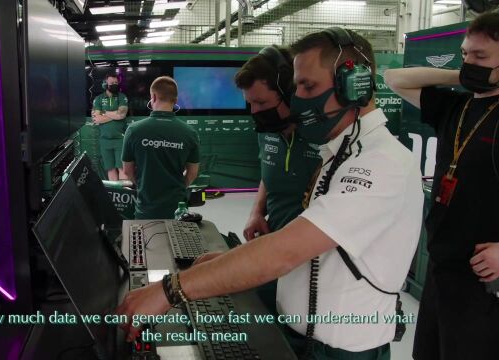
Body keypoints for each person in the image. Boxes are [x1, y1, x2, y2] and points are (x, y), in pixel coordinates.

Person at [117, 28, 423, 359]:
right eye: (297, 87)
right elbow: (314, 251)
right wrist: (221, 264)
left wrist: (170, 290)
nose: (300, 99)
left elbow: (286, 251)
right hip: (304, 337)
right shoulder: (339, 153)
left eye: (308, 86)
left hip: (339, 351)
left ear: (355, 85)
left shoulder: (380, 162)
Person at [385, 3, 499, 359]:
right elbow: (394, 79)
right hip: (442, 269)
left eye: (480, 55)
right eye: (464, 54)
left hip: (485, 278)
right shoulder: (456, 106)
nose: (469, 61)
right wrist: (466, 75)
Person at [234, 45, 322, 314]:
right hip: (272, 246)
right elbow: (268, 170)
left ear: (289, 92)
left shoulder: (324, 135)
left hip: (313, 261)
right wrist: (257, 211)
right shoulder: (267, 128)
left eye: (261, 103)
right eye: (250, 103)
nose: (254, 112)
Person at [121, 76, 200, 219]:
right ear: (175, 100)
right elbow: (192, 173)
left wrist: (143, 187)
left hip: (145, 210)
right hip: (178, 211)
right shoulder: (190, 133)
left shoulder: (134, 130)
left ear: (153, 96)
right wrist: (179, 188)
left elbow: (127, 170)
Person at [92, 73, 129, 181]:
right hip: (105, 140)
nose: (114, 85)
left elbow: (122, 114)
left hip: (120, 139)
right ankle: (115, 194)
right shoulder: (98, 99)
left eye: (116, 83)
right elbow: (96, 119)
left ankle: (123, 194)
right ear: (105, 84)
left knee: (122, 169)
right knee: (110, 169)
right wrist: (115, 114)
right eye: (112, 83)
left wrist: (103, 113)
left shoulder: (122, 97)